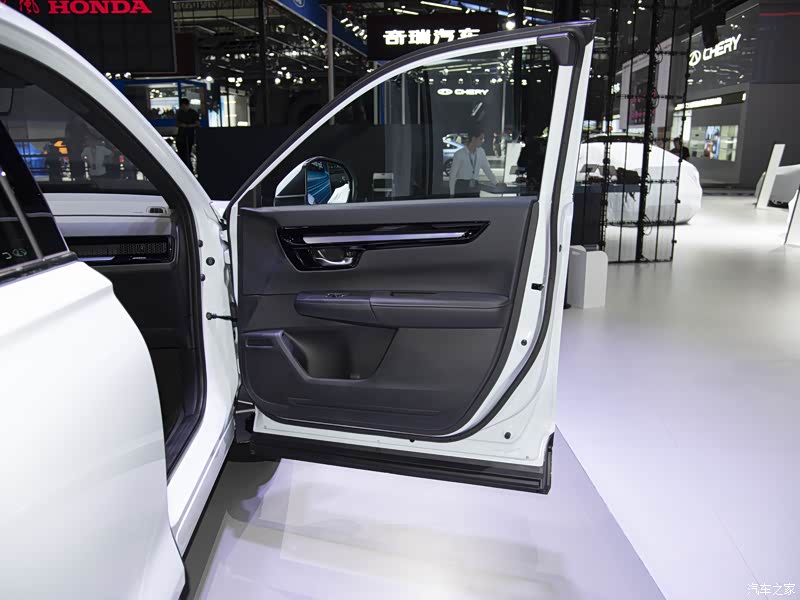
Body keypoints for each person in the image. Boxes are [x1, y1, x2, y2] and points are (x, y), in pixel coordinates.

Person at [449, 127, 498, 197]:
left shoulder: (481, 152)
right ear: (473, 139)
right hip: (461, 186)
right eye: (480, 139)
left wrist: (496, 183)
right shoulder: (459, 154)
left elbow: (487, 170)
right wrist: (452, 194)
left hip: (475, 186)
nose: (483, 141)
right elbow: (452, 175)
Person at [175, 97, 199, 171]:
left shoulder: (193, 113)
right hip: (181, 136)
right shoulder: (180, 112)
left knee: (187, 154)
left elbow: (197, 124)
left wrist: (188, 126)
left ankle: (189, 169)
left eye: (184, 106)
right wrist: (182, 125)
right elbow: (177, 123)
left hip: (189, 136)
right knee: (182, 154)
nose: (183, 108)